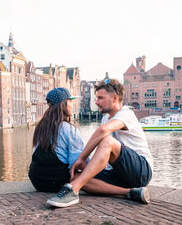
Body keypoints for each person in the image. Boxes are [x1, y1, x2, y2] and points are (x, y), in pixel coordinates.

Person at [47, 78, 153, 207]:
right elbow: (102, 154)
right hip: (119, 173)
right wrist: (85, 166)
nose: (96, 102)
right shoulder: (105, 119)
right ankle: (130, 192)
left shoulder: (126, 114)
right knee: (78, 177)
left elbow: (103, 132)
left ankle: (72, 191)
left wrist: (81, 158)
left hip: (141, 171)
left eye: (100, 98)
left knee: (107, 141)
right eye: (96, 98)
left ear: (114, 98)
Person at [28, 87, 85, 192]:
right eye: (70, 101)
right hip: (58, 181)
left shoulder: (40, 126)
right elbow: (77, 162)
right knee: (86, 174)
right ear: (63, 104)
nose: (72, 105)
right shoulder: (69, 129)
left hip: (37, 180)